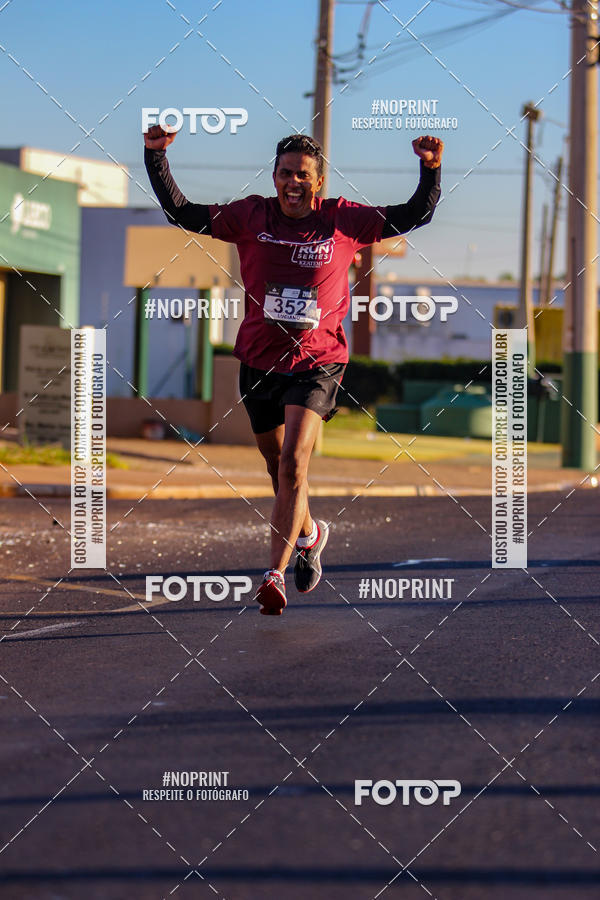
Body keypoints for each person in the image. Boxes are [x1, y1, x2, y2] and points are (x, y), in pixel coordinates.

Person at [144, 127, 443, 616]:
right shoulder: (250, 215)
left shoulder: (343, 220)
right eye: (285, 173)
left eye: (303, 175)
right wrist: (155, 157)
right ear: (275, 176)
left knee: (292, 465)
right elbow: (182, 212)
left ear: (318, 181)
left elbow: (417, 214)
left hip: (318, 362)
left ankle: (273, 575)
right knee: (274, 465)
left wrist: (429, 169)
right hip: (259, 360)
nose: (293, 182)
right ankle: (309, 533)